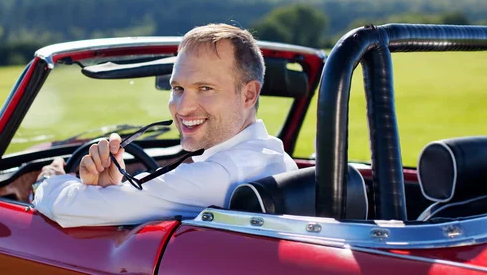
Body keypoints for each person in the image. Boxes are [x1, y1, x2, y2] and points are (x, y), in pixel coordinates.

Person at [33, 23, 298, 227]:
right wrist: (112, 187)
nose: (181, 108)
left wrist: (49, 180)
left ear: (249, 95)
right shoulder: (278, 160)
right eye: (178, 88)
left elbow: (70, 209)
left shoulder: (220, 176)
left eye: (205, 88)